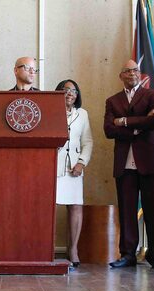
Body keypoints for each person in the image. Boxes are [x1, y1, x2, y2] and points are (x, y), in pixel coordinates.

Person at [104, 60, 154, 269]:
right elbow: (108, 130)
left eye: (136, 70)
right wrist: (139, 125)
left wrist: (124, 122)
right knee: (126, 210)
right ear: (121, 76)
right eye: (127, 71)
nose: (132, 73)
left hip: (149, 160)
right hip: (124, 163)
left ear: (140, 74)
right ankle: (128, 254)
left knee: (153, 209)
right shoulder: (112, 100)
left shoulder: (152, 95)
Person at [54, 79, 93, 268]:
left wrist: (82, 162)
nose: (69, 93)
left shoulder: (82, 114)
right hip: (53, 166)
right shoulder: (49, 112)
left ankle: (73, 250)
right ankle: (45, 248)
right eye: (65, 90)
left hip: (74, 168)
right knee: (48, 208)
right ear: (57, 92)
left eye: (73, 91)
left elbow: (88, 142)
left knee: (75, 207)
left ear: (77, 96)